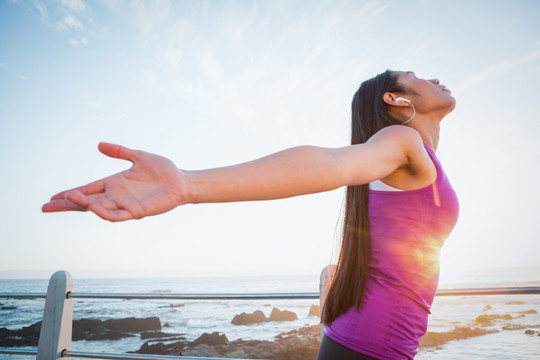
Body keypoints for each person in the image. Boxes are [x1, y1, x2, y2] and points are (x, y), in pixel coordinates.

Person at [42, 70, 459, 359]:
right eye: (417, 75)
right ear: (396, 99)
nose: (434, 79)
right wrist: (188, 184)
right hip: (372, 346)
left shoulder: (413, 160)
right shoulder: (401, 141)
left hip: (368, 340)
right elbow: (330, 164)